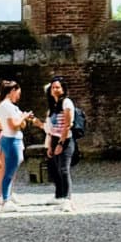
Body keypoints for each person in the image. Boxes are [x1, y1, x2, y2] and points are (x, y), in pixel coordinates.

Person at [0, 80, 33, 210]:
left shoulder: (11, 106)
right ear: (12, 91)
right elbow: (14, 125)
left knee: (13, 168)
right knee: (9, 171)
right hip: (11, 139)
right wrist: (23, 117)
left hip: (14, 138)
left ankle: (8, 196)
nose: (19, 96)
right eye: (18, 93)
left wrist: (21, 119)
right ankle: (5, 199)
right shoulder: (6, 106)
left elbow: (21, 125)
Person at [45, 77, 76, 213]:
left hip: (65, 140)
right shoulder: (54, 105)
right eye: (53, 87)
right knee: (57, 170)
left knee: (64, 169)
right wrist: (50, 145)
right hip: (54, 138)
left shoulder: (66, 103)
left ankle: (68, 199)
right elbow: (52, 127)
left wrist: (61, 143)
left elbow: (67, 125)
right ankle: (61, 196)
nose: (55, 90)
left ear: (63, 89)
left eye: (58, 87)